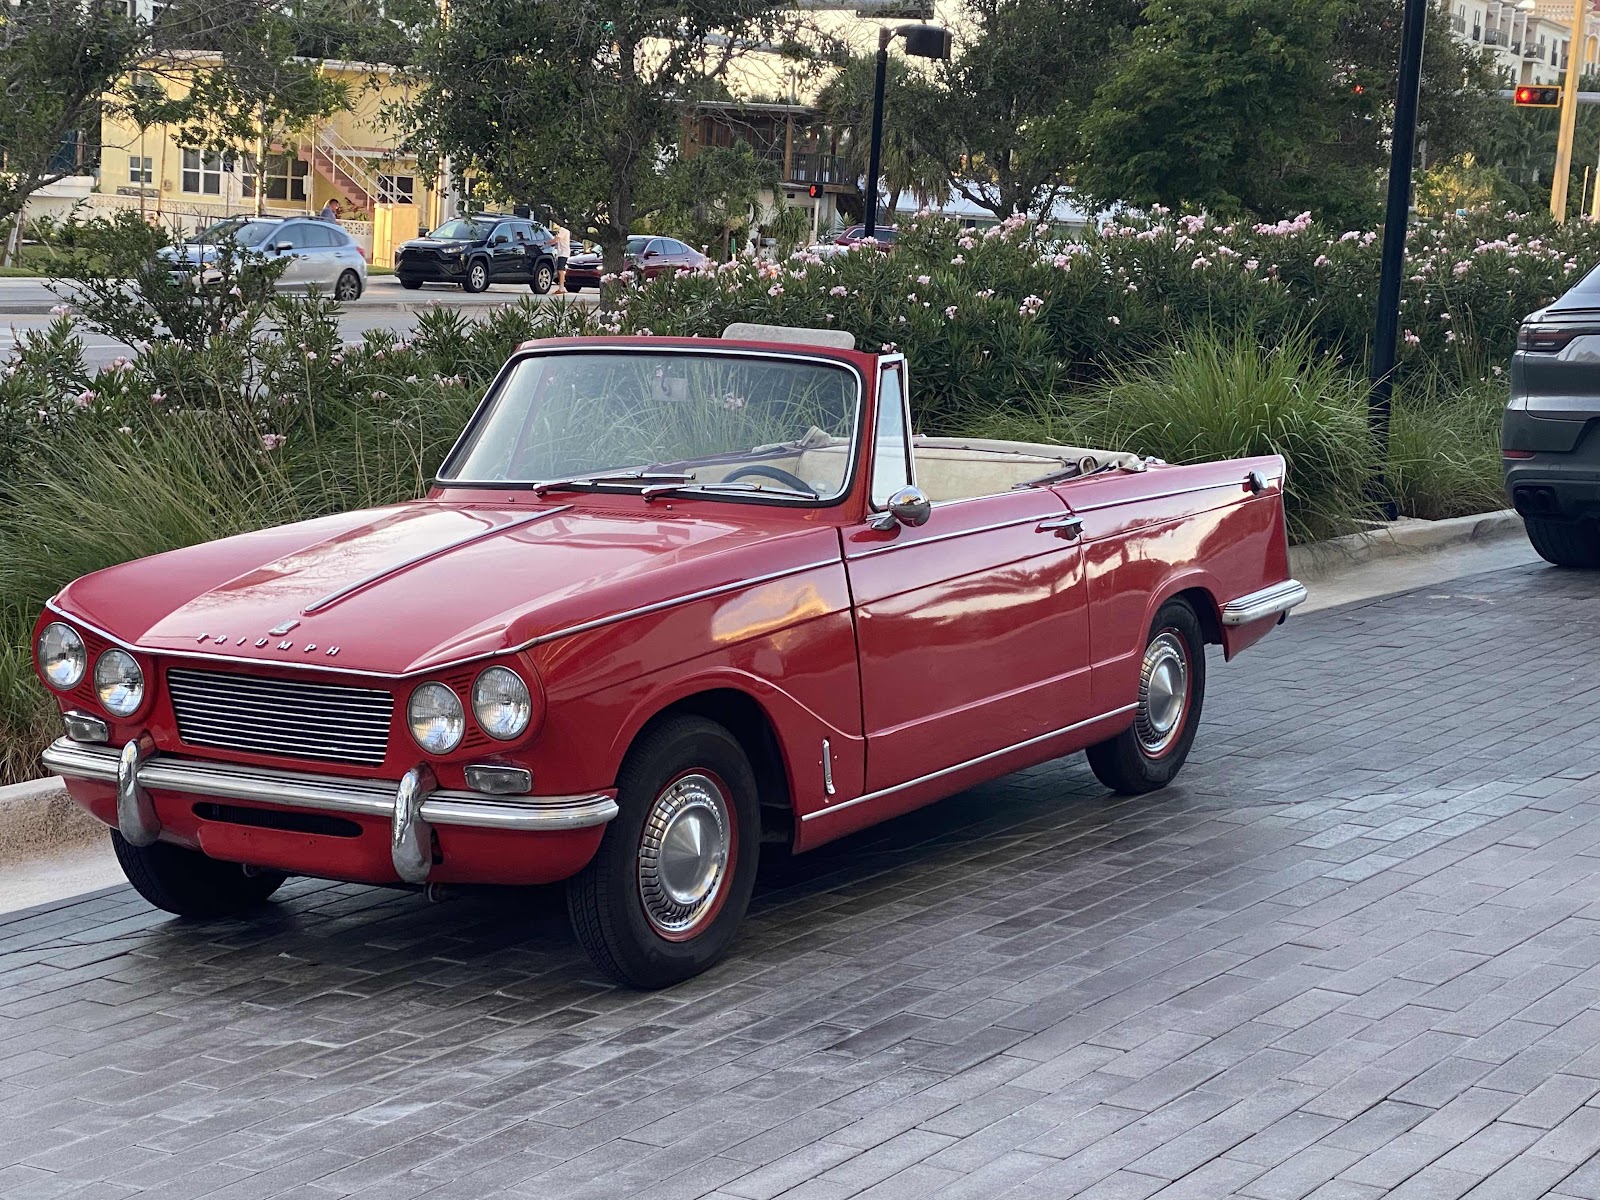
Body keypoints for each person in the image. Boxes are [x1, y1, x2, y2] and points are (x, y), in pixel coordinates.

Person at [550, 220, 571, 293]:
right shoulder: (565, 230)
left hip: (563, 252)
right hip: (562, 252)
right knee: (560, 270)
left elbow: (556, 239)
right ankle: (561, 287)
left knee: (561, 270)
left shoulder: (563, 230)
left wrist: (545, 243)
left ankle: (561, 288)